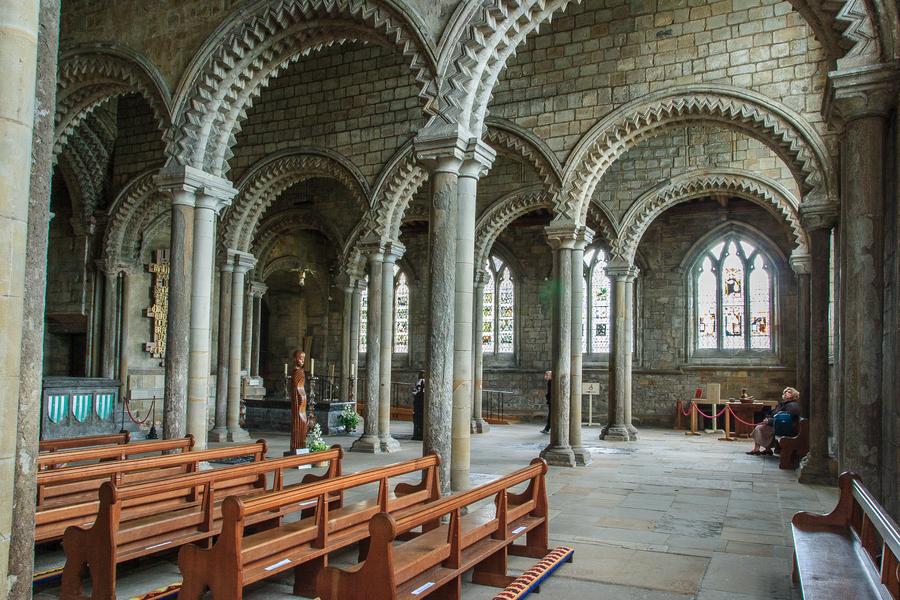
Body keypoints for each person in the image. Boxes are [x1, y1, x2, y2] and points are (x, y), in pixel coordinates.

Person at [746, 387, 801, 455]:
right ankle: (767, 449)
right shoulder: (783, 404)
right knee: (762, 427)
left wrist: (769, 421)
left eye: (789, 392)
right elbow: (773, 413)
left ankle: (757, 449)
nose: (786, 393)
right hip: (778, 425)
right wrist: (767, 418)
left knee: (758, 428)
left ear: (794, 395)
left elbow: (785, 419)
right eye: (785, 392)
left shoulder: (792, 406)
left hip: (785, 429)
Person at [412, 370, 425, 441]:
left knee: (420, 419)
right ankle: (417, 434)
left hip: (421, 402)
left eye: (422, 374)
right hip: (419, 403)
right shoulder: (418, 382)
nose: (421, 375)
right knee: (418, 419)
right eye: (421, 374)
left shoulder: (422, 381)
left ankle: (419, 434)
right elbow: (415, 391)